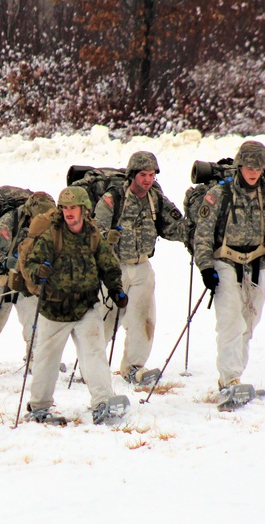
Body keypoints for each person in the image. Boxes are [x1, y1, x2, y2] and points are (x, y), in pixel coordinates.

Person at [193, 140, 265, 391]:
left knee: (249, 324)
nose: (253, 172)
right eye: (249, 166)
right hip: (225, 262)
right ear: (240, 165)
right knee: (230, 322)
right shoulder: (219, 194)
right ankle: (230, 379)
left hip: (257, 265)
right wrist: (206, 267)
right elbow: (203, 234)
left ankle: (234, 376)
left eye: (258, 168)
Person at [23, 187, 129, 425]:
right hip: (54, 309)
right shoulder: (52, 235)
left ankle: (103, 402)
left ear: (84, 209)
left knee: (94, 354)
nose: (69, 212)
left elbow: (108, 265)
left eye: (73, 208)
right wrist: (38, 272)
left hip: (85, 307)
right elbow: (30, 264)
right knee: (46, 359)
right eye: (65, 208)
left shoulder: (92, 235)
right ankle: (39, 407)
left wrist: (116, 289)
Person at [93, 151, 187, 386]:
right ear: (132, 174)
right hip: (114, 268)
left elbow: (174, 228)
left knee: (143, 318)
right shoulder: (113, 198)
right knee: (106, 319)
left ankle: (134, 367)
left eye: (152, 174)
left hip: (143, 265)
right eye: (143, 174)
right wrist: (107, 236)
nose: (148, 179)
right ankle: (92, 364)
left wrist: (196, 225)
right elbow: (93, 231)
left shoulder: (156, 198)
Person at [0, 191, 55, 378]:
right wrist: (9, 263)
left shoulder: (51, 223)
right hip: (3, 278)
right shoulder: (10, 220)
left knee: (34, 320)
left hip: (28, 278)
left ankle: (36, 360)